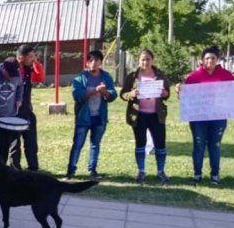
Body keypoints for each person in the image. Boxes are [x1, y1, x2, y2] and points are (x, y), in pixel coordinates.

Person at [177, 46, 234, 185]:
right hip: (198, 118)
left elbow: (232, 96)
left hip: (218, 117)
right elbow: (186, 99)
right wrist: (179, 92)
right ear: (202, 60)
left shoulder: (226, 75)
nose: (210, 61)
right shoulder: (193, 77)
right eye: (207, 58)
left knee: (215, 145)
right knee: (199, 144)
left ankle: (215, 175)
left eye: (213, 58)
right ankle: (197, 174)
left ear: (217, 59)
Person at [119, 49, 171, 184]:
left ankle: (161, 171)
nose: (145, 62)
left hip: (156, 115)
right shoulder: (132, 76)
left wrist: (165, 93)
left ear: (152, 60)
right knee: (140, 143)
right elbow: (123, 94)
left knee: (160, 143)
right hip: (139, 115)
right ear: (139, 61)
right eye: (143, 59)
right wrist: (131, 94)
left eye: (148, 59)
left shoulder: (159, 74)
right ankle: (141, 171)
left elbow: (167, 94)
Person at [66, 50, 118, 180]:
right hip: (83, 118)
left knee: (95, 144)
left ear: (101, 62)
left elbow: (113, 95)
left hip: (99, 117)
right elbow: (77, 96)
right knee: (77, 144)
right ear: (87, 62)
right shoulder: (79, 78)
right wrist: (95, 90)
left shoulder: (106, 77)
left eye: (97, 60)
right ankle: (70, 171)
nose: (94, 63)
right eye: (91, 60)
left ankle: (92, 170)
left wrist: (105, 92)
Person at [10, 44, 40, 171]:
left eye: (34, 56)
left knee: (31, 143)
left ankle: (33, 168)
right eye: (31, 57)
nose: (33, 59)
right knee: (15, 144)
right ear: (21, 57)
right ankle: (15, 168)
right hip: (13, 113)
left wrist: (36, 63)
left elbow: (40, 77)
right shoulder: (11, 70)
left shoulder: (30, 69)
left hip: (27, 111)